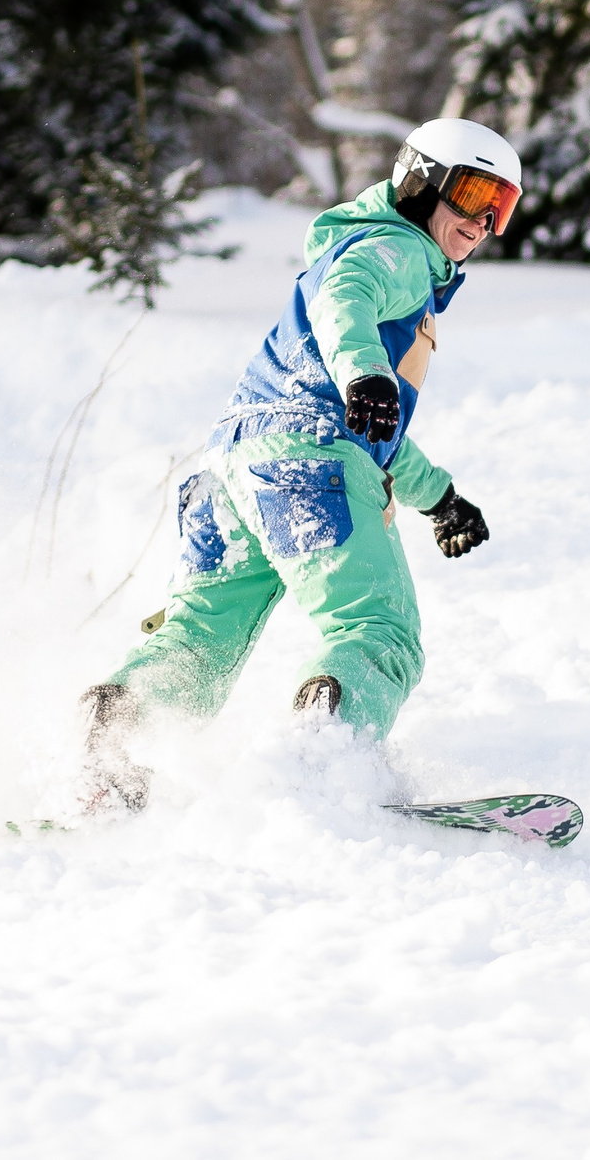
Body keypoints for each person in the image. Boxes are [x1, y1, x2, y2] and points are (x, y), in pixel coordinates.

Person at [78, 117, 522, 810]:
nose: (481, 222)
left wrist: (440, 498)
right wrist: (366, 370)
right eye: (470, 194)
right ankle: (322, 758)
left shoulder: (362, 247)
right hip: (306, 465)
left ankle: (111, 744)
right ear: (419, 182)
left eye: (501, 206)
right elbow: (348, 299)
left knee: (200, 640)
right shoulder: (397, 249)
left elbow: (369, 433)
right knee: (378, 630)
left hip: (229, 470)